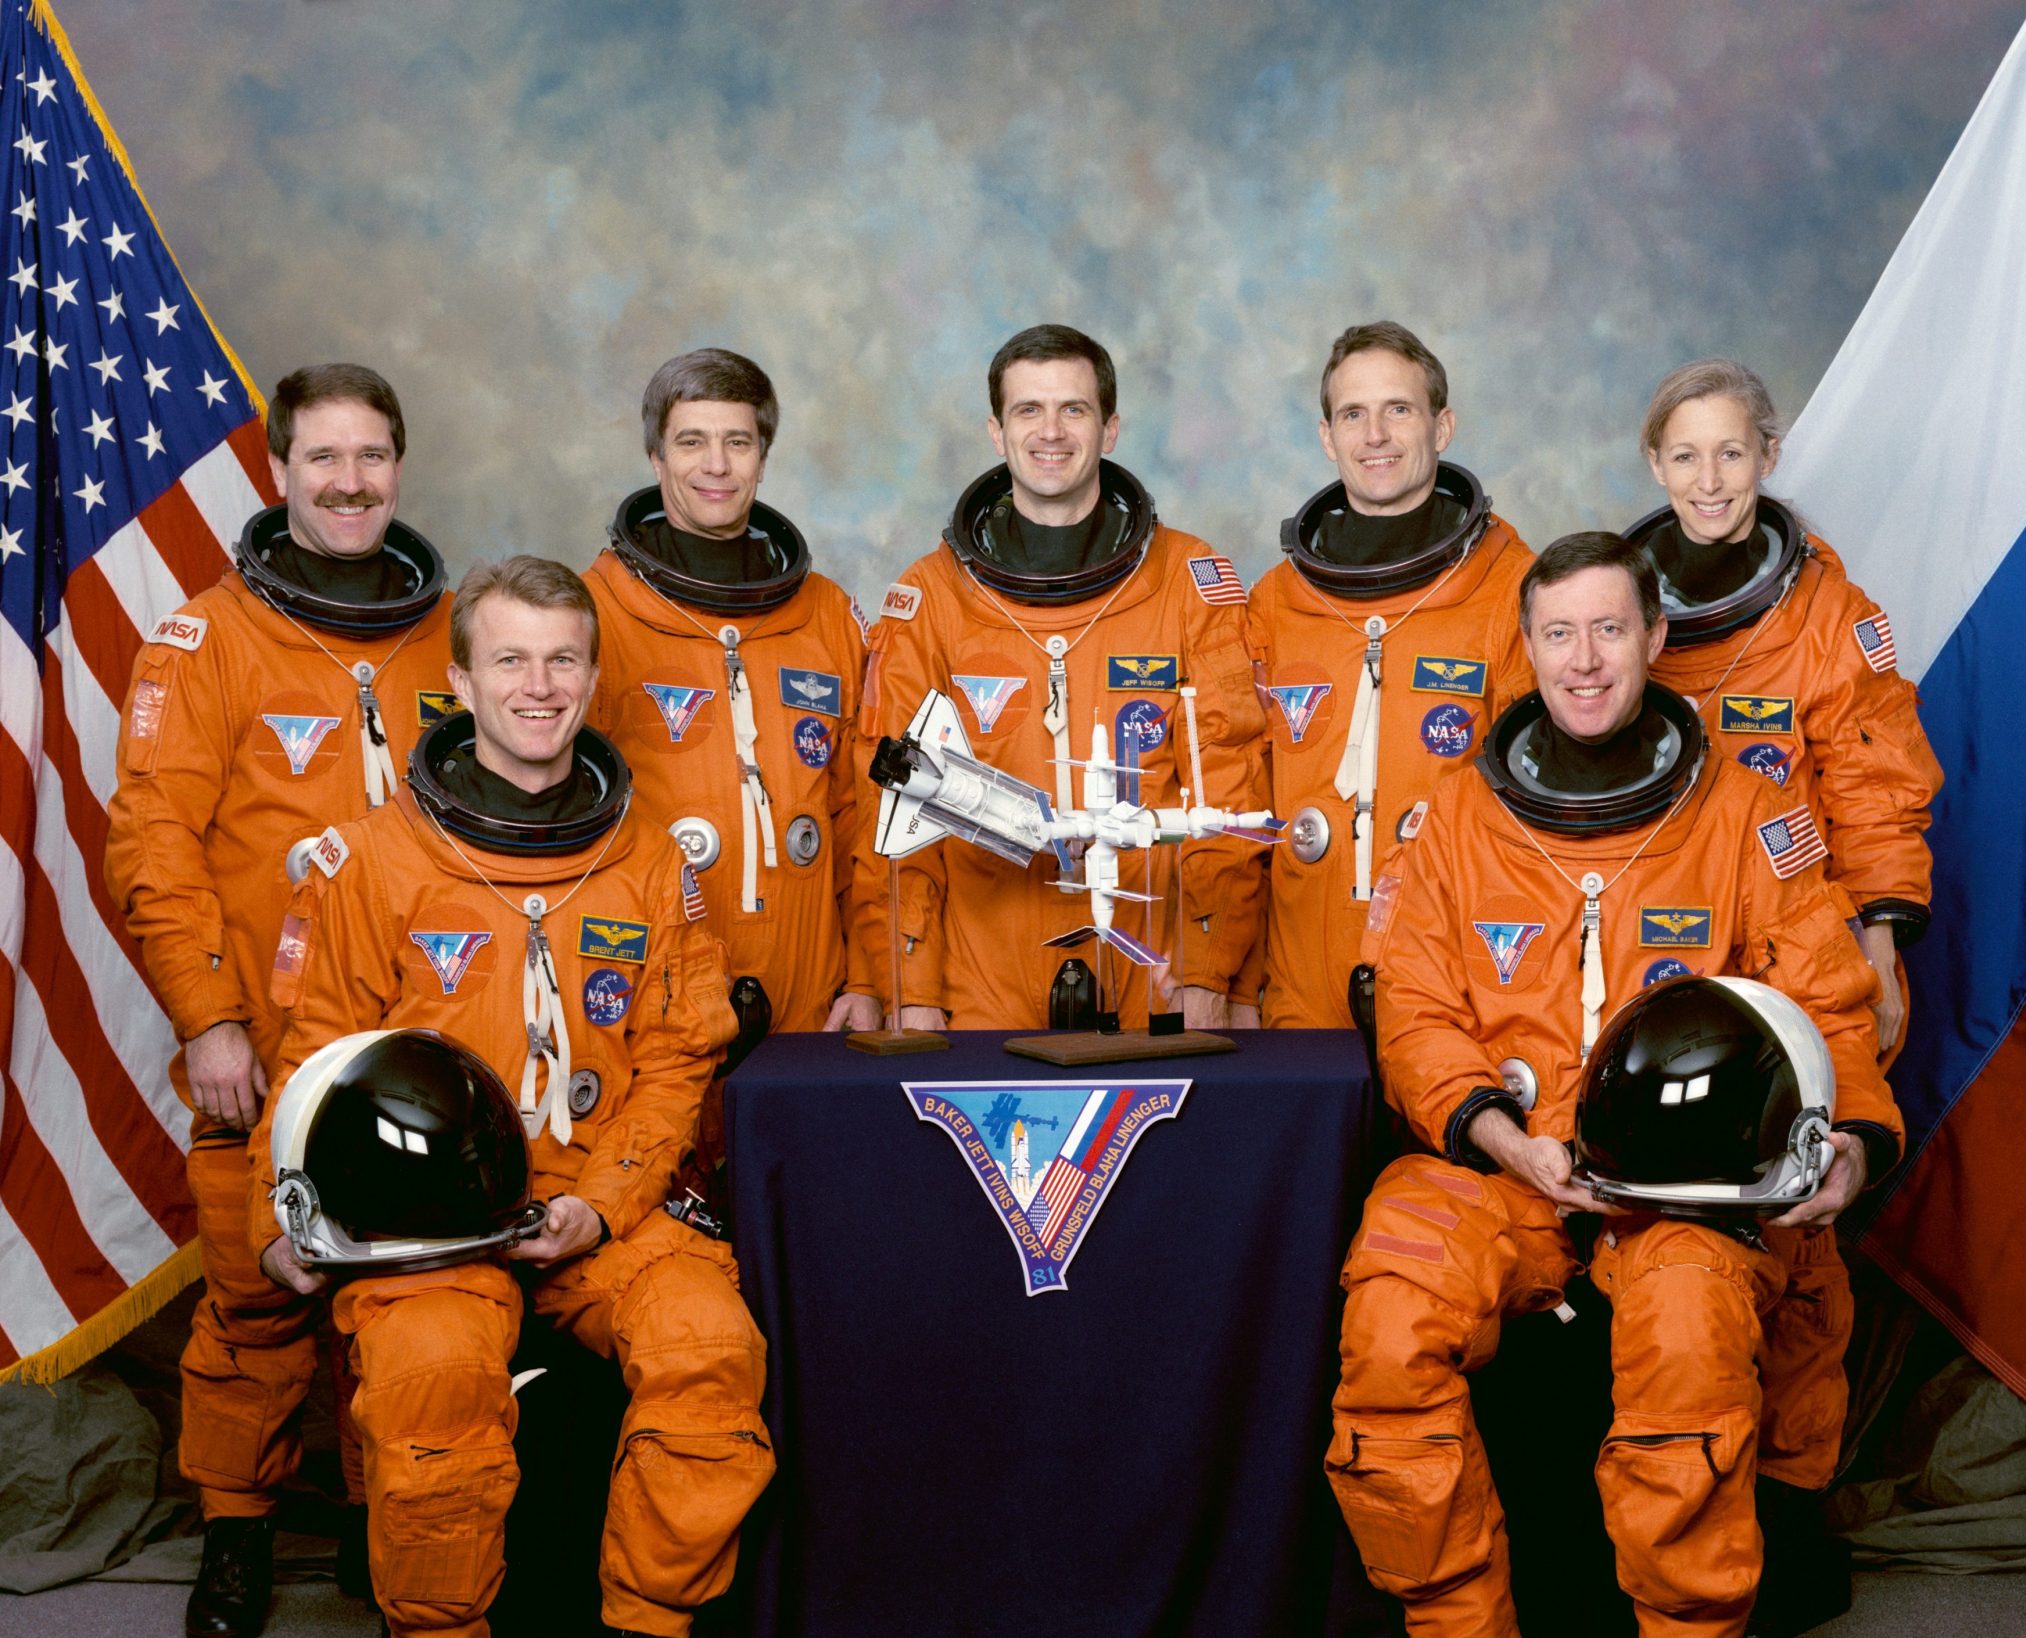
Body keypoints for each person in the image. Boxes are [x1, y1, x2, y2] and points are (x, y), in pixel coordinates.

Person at [1326, 534, 1902, 1636]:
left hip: (1688, 1188)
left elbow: (1828, 1004)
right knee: (1390, 1318)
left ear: (1653, 637)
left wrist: (1858, 1144)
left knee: (1685, 1337)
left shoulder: (1745, 817)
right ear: (1527, 647)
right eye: (1557, 633)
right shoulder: (1454, 822)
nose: (1582, 660)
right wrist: (1505, 1142)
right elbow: (1411, 1008)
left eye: (1606, 629)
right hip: (1503, 1160)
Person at [250, 558, 765, 1638]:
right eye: (511, 660)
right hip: (421, 1221)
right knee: (434, 1381)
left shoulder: (651, 867)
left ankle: (648, 1623)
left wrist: (603, 1205)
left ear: (590, 675)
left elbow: (678, 1061)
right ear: (463, 682)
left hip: (596, 1200)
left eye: (563, 659)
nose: (540, 685)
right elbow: (310, 1064)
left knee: (707, 1350)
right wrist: (278, 1221)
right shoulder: (375, 864)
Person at [104, 363, 453, 1638]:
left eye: (371, 459)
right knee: (255, 1309)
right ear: (278, 473)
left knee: (406, 1297)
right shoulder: (208, 639)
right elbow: (151, 843)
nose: (349, 483)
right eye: (323, 460)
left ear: (399, 470)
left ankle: (380, 1524)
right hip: (262, 1039)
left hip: (422, 1042)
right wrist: (206, 1017)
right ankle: (237, 1540)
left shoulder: (454, 636)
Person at [855, 324, 1267, 1031]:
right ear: (996, 430)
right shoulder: (932, 599)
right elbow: (894, 807)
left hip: (1153, 980)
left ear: (1110, 429)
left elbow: (1226, 780)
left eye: (1073, 409)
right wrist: (909, 987)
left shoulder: (1186, 584)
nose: (1051, 431)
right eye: (1028, 410)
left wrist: (1207, 969)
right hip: (979, 984)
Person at [1630, 358, 1942, 1060]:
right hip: (1651, 928)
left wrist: (1878, 952)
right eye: (1685, 456)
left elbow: (1876, 792)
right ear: (1656, 464)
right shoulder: (1617, 612)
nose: (1708, 483)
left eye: (1731, 454)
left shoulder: (1828, 617)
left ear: (1769, 455)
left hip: (1802, 937)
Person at [1240, 321, 1533, 1028]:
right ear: (1326, 437)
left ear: (1443, 425)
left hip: (1457, 993)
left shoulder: (1513, 590)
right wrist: (1229, 981)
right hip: (1300, 998)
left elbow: (1537, 814)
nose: (1375, 434)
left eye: (1398, 409)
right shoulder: (1276, 603)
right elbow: (1238, 806)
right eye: (1353, 414)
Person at [586, 348, 877, 1043]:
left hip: (810, 994)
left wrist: (869, 977)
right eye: (692, 441)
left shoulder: (829, 615)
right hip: (655, 994)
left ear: (763, 457)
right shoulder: (594, 614)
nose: (716, 465)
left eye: (737, 442)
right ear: (656, 458)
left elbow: (861, 817)